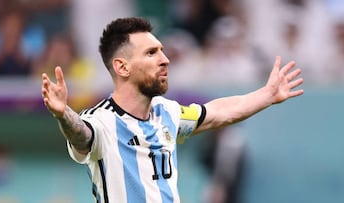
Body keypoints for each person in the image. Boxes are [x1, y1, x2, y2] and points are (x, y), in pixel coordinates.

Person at [41, 17, 304, 203]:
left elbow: (218, 112)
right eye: (152, 53)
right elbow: (81, 136)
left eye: (162, 51)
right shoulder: (101, 121)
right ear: (122, 67)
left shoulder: (167, 113)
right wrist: (64, 114)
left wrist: (266, 95)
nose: (165, 60)